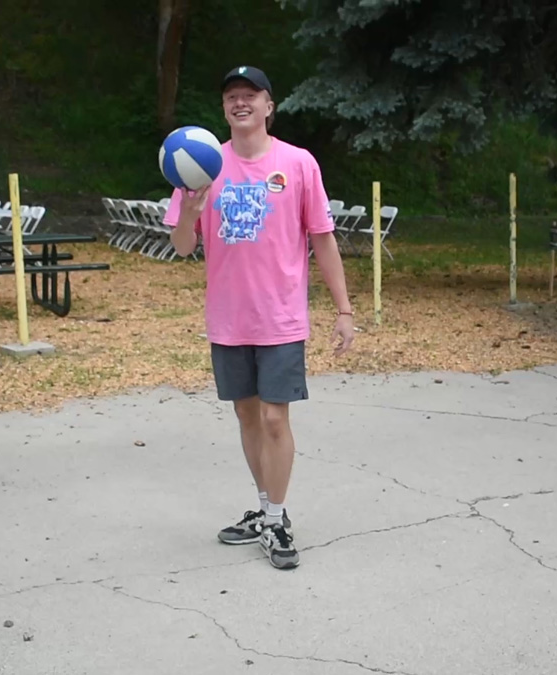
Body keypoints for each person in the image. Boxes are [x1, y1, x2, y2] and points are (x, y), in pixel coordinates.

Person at [162, 65, 356, 570]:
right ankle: (268, 508)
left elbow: (322, 239)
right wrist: (190, 212)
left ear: (270, 106)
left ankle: (276, 521)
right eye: (232, 96)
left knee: (274, 417)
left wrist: (344, 309)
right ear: (224, 108)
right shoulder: (201, 164)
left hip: (280, 317)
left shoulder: (298, 163)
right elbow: (181, 247)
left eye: (251, 94)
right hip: (228, 318)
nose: (240, 102)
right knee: (247, 416)